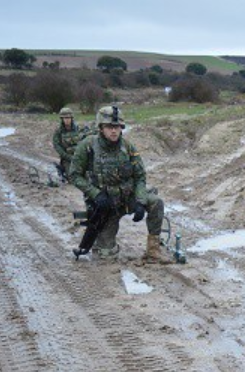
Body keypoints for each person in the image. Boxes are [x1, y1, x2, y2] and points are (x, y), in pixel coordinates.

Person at [68, 105, 172, 264]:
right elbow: (74, 175)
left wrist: (140, 201)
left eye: (117, 126)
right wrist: (95, 194)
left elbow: (140, 176)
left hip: (126, 198)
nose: (114, 131)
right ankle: (101, 243)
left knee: (156, 202)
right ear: (101, 127)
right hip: (105, 206)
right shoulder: (88, 146)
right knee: (106, 256)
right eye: (109, 127)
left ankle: (153, 251)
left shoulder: (128, 147)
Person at [52, 107, 91, 181]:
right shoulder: (58, 131)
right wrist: (67, 157)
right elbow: (57, 146)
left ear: (71, 118)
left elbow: (86, 140)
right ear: (62, 119)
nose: (67, 120)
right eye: (65, 118)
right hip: (68, 158)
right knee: (73, 177)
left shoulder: (78, 128)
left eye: (68, 118)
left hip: (80, 156)